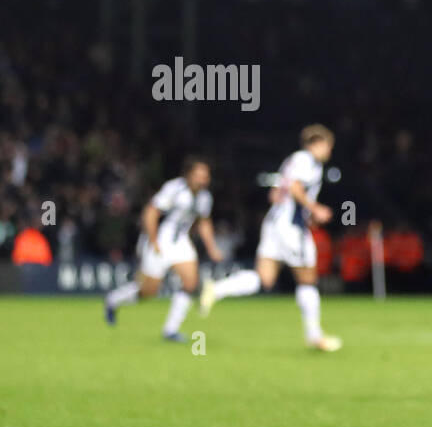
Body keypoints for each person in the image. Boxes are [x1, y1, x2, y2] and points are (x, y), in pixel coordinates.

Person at [200, 125, 341, 352]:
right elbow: (294, 187)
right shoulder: (307, 161)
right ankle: (315, 336)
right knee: (307, 280)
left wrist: (302, 207)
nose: (329, 152)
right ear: (318, 143)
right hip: (290, 228)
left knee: (263, 279)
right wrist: (314, 208)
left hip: (274, 223)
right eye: (328, 146)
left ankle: (217, 289)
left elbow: (277, 191)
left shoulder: (292, 161)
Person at [104, 157, 222, 341]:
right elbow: (151, 212)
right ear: (189, 175)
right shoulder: (174, 189)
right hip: (161, 239)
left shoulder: (205, 197)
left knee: (190, 283)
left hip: (181, 242)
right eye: (199, 175)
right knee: (148, 291)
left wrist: (212, 247)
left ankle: (171, 330)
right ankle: (113, 300)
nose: (202, 180)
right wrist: (153, 241)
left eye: (205, 176)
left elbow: (203, 222)